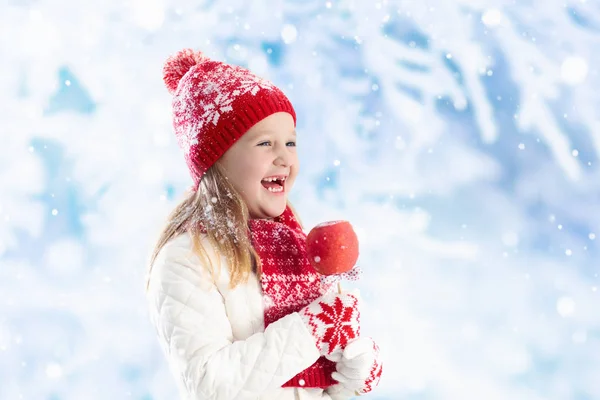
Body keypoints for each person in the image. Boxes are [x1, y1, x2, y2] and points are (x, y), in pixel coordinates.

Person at [144, 48, 383, 400]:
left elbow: (306, 385)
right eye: (265, 143)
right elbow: (211, 385)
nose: (285, 157)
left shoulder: (292, 248)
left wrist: (349, 374)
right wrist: (313, 329)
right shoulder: (187, 259)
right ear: (218, 159)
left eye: (290, 142)